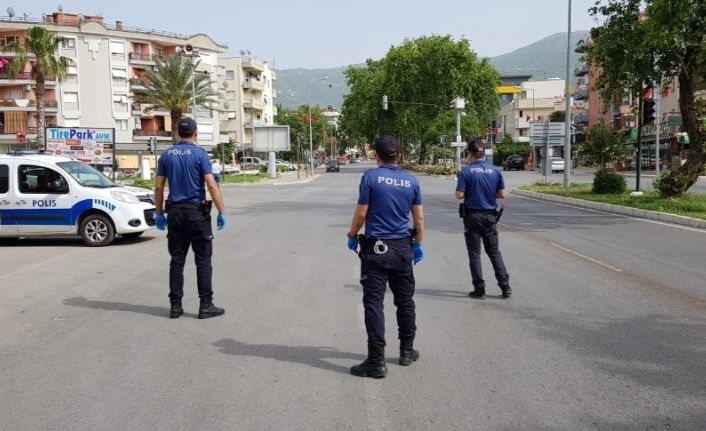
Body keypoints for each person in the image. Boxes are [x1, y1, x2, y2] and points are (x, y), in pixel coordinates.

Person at [347, 135, 425, 378]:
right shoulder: (411, 181)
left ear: (376, 156)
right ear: (399, 155)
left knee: (374, 303)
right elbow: (419, 219)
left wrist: (352, 234)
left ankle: (376, 360)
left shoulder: (371, 177)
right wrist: (418, 244)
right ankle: (406, 350)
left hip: (376, 250)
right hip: (403, 249)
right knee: (405, 301)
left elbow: (361, 213)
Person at [154, 117, 228, 319]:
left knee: (177, 261)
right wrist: (222, 211)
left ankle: (175, 307)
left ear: (177, 133)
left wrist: (159, 213)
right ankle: (206, 305)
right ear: (195, 134)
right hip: (196, 213)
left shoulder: (166, 155)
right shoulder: (200, 154)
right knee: (203, 260)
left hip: (175, 214)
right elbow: (211, 185)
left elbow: (159, 186)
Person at [455, 138, 511, 299]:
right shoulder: (495, 171)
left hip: (472, 216)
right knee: (494, 251)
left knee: (474, 253)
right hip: (490, 216)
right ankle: (505, 286)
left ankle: (479, 289)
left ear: (470, 154)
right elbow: (502, 194)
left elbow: (459, 195)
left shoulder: (466, 172)